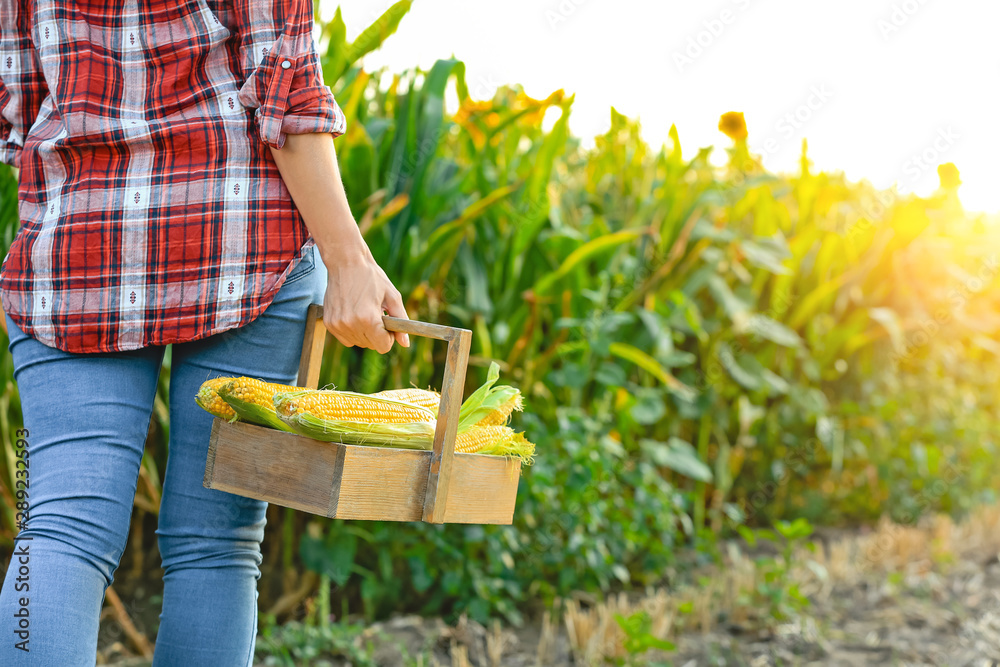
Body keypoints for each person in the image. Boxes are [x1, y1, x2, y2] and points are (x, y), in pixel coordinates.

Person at [0, 0, 408, 663]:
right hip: (240, 244)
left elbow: (17, 98)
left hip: (75, 249)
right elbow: (288, 87)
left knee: (61, 534)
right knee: (215, 546)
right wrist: (350, 260)